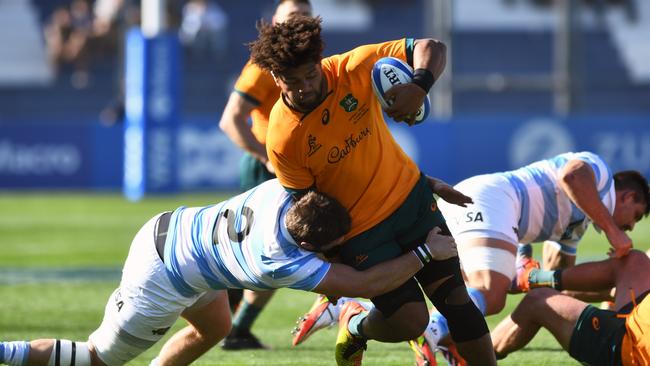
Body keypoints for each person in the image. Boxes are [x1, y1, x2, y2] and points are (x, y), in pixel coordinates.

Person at [249, 15, 496, 365]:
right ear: (276, 78)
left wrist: (419, 86)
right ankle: (356, 325)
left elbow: (433, 48)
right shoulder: (283, 137)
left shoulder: (356, 66)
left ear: (320, 63)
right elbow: (308, 207)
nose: (304, 86)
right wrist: (331, 264)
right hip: (362, 235)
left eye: (310, 74)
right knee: (412, 321)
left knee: (459, 305)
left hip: (412, 203)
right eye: (292, 81)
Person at [0, 179, 458, 366]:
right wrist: (424, 252)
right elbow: (364, 284)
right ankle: (6, 351)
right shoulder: (280, 260)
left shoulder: (285, 189)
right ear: (309, 247)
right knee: (96, 359)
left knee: (215, 327)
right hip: (161, 277)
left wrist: (419, 185)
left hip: (174, 231)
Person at [291, 151, 649, 365]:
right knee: (489, 294)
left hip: (498, 213)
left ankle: (345, 309)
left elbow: (558, 286)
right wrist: (616, 236)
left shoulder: (578, 221)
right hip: (495, 202)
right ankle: (432, 332)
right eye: (632, 219)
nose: (628, 228)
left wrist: (534, 276)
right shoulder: (598, 173)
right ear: (629, 196)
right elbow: (572, 175)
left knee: (452, 288)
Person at [217, 0, 313, 350]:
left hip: (296, 164)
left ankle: (228, 319)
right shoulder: (263, 65)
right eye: (290, 18)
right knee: (277, 251)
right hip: (268, 168)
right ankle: (236, 328)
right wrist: (264, 157)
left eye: (304, 17)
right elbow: (230, 119)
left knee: (266, 252)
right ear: (274, 23)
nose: (297, 24)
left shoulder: (313, 60)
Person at [492, 249, 650, 365]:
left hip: (631, 351)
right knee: (634, 261)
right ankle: (532, 278)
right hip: (637, 319)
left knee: (538, 300)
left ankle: (473, 356)